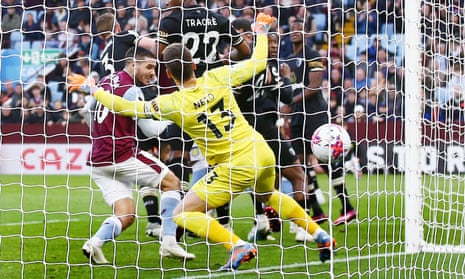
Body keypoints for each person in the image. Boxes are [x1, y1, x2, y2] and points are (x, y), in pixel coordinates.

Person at [92, 13, 335, 271]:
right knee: (268, 194)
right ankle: (320, 235)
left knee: (183, 214)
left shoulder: (172, 102)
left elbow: (125, 106)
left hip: (235, 166)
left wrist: (94, 89)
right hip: (261, 151)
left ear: (169, 75)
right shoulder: (218, 77)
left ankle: (237, 245)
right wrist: (261, 31)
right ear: (194, 66)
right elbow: (258, 62)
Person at [74, 46, 194, 264]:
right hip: (122, 156)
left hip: (98, 161)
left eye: (155, 68)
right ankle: (169, 242)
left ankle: (95, 243)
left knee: (126, 215)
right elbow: (150, 130)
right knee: (173, 183)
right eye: (148, 67)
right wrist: (177, 120)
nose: (153, 73)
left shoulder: (105, 81)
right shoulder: (131, 90)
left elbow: (89, 111)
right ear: (132, 64)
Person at [155, 0, 252, 230]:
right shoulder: (218, 19)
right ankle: (224, 222)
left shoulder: (171, 19)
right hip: (213, 91)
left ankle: (177, 222)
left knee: (179, 154)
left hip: (187, 93)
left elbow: (160, 54)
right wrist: (222, 60)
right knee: (218, 157)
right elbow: (246, 50)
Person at [232, 27, 328, 243]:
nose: (273, 46)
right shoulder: (266, 67)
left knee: (259, 178)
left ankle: (262, 221)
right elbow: (286, 95)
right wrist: (285, 78)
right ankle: (300, 226)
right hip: (264, 126)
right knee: (296, 174)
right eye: (270, 43)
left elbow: (283, 96)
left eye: (276, 43)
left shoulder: (239, 65)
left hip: (242, 130)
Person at [94, 13, 169, 238]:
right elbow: (153, 47)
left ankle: (154, 220)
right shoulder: (125, 36)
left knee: (145, 154)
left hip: (112, 112)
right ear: (117, 26)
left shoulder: (102, 54)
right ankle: (174, 220)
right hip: (137, 97)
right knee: (166, 155)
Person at [285, 19, 356, 226]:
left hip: (315, 114)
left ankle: (347, 207)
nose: (295, 32)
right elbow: (291, 87)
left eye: (299, 28)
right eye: (292, 29)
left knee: (327, 160)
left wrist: (290, 102)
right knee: (300, 163)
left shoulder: (313, 55)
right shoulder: (289, 59)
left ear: (306, 33)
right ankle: (316, 210)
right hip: (298, 117)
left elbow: (314, 86)